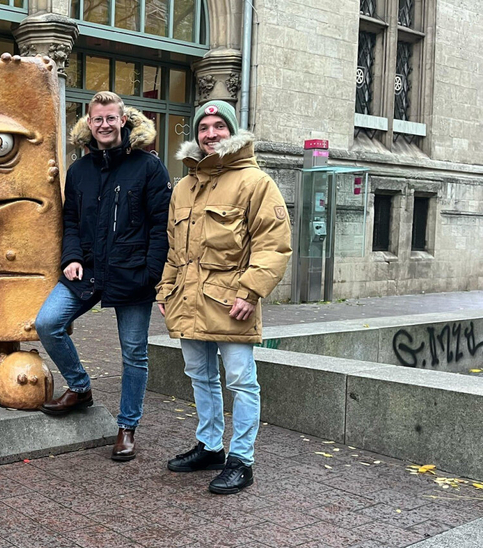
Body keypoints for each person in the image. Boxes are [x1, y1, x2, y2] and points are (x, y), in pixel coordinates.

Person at [156, 100, 292, 494]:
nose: (211, 134)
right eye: (204, 127)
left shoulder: (255, 182)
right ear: (196, 134)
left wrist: (251, 292)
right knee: (200, 376)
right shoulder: (184, 186)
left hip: (232, 301)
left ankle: (242, 460)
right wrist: (165, 289)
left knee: (241, 381)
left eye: (219, 126)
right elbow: (173, 248)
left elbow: (273, 244)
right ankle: (211, 446)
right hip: (188, 299)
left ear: (232, 132)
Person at [35, 91, 171, 462]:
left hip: (133, 273)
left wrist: (152, 273)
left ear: (123, 120)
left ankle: (127, 427)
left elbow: (162, 226)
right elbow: (71, 221)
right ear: (89, 124)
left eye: (111, 118)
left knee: (133, 353)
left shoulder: (149, 166)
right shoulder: (79, 170)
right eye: (98, 119)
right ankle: (80, 387)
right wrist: (72, 257)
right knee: (47, 322)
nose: (105, 125)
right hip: (89, 270)